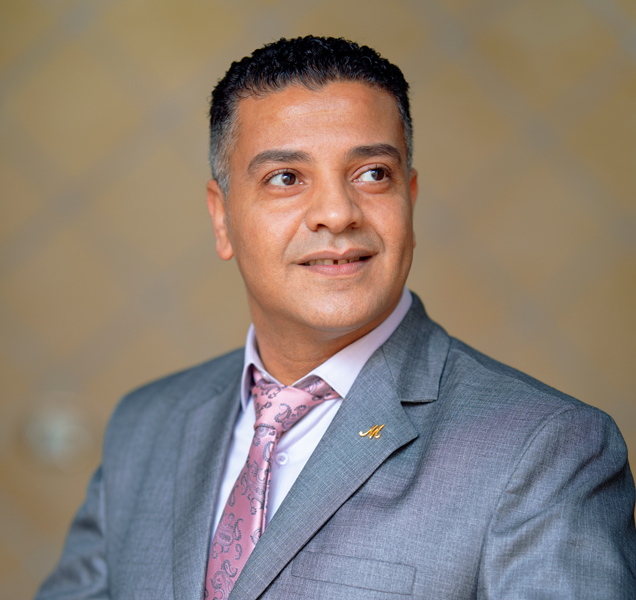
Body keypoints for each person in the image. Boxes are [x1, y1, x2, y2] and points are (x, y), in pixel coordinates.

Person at [36, 36, 636, 600]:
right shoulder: (146, 425)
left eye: (372, 174)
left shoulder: (548, 450)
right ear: (222, 218)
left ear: (410, 199)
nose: (337, 212)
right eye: (286, 178)